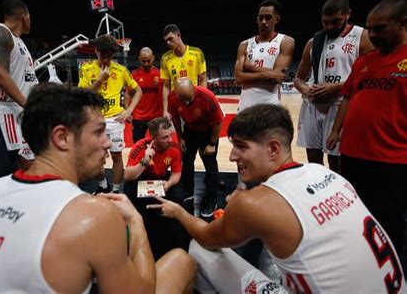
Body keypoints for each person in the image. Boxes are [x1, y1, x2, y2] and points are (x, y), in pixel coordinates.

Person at [0, 83, 196, 293]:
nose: (108, 142)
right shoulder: (91, 215)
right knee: (182, 261)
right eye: (99, 132)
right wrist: (136, 223)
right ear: (62, 137)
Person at [148, 103, 405, 293]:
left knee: (199, 249)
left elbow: (206, 237)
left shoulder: (254, 203)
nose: (232, 156)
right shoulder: (326, 174)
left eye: (242, 146)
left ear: (273, 149)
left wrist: (178, 212)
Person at [326, 0, 407, 254]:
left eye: (379, 28)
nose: (371, 34)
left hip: (392, 160)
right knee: (355, 216)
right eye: (369, 28)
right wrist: (336, 130)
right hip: (353, 153)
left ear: (402, 24)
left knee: (388, 223)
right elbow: (348, 96)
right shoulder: (364, 61)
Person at [294, 0, 374, 174]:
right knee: (313, 160)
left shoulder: (362, 37)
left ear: (348, 15)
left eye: (335, 22)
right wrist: (307, 90)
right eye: (325, 22)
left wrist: (336, 87)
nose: (329, 27)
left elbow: (370, 76)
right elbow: (298, 79)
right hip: (312, 106)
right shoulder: (314, 41)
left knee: (336, 162)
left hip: (340, 105)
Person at [78, 34, 143, 193]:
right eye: (103, 55)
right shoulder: (86, 69)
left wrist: (128, 110)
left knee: (116, 157)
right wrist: (100, 81)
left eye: (110, 56)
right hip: (94, 120)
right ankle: (103, 187)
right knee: (96, 158)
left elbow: (138, 91)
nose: (106, 59)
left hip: (115, 120)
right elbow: (81, 95)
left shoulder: (121, 70)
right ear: (96, 51)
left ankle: (115, 191)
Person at [0, 0, 37, 170]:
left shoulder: (19, 41)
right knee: (28, 164)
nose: (31, 21)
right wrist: (27, 104)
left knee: (39, 160)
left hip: (26, 108)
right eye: (30, 17)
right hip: (13, 109)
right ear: (24, 16)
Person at [124, 117, 189, 259]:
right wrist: (144, 161)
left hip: (162, 179)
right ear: (153, 137)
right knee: (129, 189)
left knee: (178, 194)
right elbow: (127, 176)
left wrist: (169, 183)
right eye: (164, 137)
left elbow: (176, 174)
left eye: (170, 135)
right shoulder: (140, 147)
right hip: (143, 177)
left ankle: (177, 235)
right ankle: (135, 224)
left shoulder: (175, 148)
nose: (170, 140)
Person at [168, 77, 223, 218]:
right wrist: (180, 138)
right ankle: (188, 192)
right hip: (190, 130)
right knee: (186, 161)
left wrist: (212, 144)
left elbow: (218, 122)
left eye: (188, 98)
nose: (186, 102)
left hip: (208, 132)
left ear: (194, 89)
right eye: (182, 99)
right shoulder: (172, 97)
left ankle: (211, 198)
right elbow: (174, 117)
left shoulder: (207, 97)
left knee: (210, 165)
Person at [234, 0, 295, 110]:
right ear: (257, 19)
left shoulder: (286, 41)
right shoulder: (244, 44)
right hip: (245, 107)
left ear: (277, 19)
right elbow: (238, 78)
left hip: (270, 106)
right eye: (261, 17)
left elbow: (278, 77)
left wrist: (249, 67)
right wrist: (268, 75)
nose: (263, 21)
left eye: (268, 17)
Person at [160, 24, 207, 119]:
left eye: (170, 39)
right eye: (166, 41)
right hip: (176, 102)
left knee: (198, 130)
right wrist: (165, 110)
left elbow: (202, 80)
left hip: (194, 99)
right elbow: (166, 86)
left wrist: (203, 102)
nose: (168, 43)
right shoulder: (165, 59)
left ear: (178, 35)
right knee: (180, 133)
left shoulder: (197, 53)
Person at [125, 47, 163, 143]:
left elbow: (165, 94)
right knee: (138, 144)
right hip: (139, 117)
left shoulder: (161, 74)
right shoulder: (133, 75)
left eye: (148, 61)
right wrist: (127, 111)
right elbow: (128, 94)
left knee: (158, 142)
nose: (146, 64)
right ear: (139, 59)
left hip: (156, 116)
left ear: (153, 58)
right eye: (143, 61)